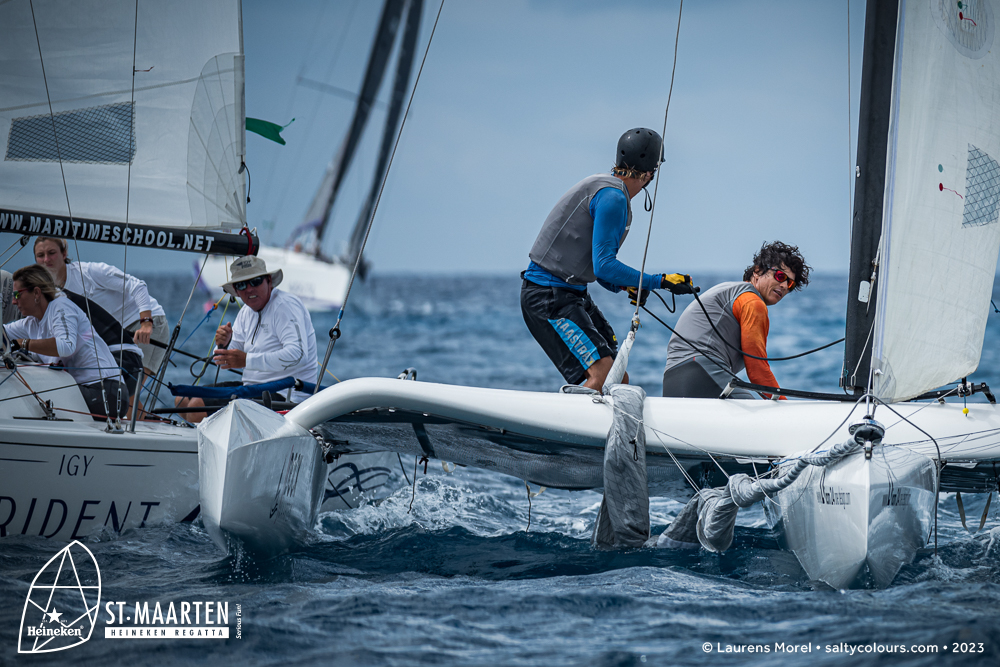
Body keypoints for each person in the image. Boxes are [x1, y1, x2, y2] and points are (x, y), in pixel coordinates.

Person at [521, 127, 696, 391]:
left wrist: (627, 284)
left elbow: (597, 269)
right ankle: (566, 430)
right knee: (602, 376)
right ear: (650, 173)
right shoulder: (613, 197)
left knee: (618, 377)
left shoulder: (608, 189)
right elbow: (604, 265)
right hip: (547, 296)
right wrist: (657, 281)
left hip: (569, 293)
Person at [176, 256, 318, 422]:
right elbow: (223, 362)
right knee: (181, 400)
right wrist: (223, 345)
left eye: (256, 281)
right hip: (252, 390)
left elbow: (299, 355)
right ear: (236, 291)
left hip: (287, 397)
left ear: (269, 281)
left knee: (196, 409)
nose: (249, 289)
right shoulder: (245, 312)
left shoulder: (285, 305)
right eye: (242, 285)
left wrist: (247, 360)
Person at [662, 241, 810, 399]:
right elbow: (757, 372)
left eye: (791, 284)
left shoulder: (730, 289)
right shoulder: (752, 302)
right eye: (780, 276)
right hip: (698, 371)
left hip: (672, 380)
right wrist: (785, 408)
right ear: (758, 271)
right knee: (762, 418)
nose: (784, 286)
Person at [33, 237, 168, 400]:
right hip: (113, 337)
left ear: (64, 253)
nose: (46, 259)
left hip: (143, 325)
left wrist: (146, 323)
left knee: (126, 392)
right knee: (112, 389)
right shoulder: (46, 293)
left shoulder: (89, 272)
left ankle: (133, 424)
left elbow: (137, 286)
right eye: (41, 255)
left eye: (52, 253)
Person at [4, 264, 126, 419]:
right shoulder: (31, 323)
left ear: (36, 292)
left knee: (32, 394)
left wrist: (23, 343)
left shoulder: (60, 306)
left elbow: (65, 347)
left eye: (17, 295)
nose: (14, 302)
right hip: (86, 390)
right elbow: (3, 333)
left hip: (106, 392)